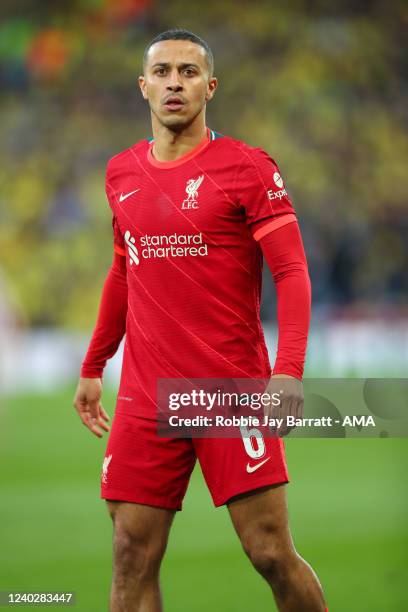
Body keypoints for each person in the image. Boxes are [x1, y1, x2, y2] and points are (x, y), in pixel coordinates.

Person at [73, 28, 327, 612]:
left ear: (210, 87)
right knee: (131, 553)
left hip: (227, 389)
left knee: (268, 550)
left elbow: (292, 272)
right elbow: (122, 274)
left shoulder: (247, 168)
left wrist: (287, 373)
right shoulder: (121, 173)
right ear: (142, 87)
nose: (174, 83)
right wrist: (94, 365)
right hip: (144, 394)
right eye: (162, 72)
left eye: (188, 72)